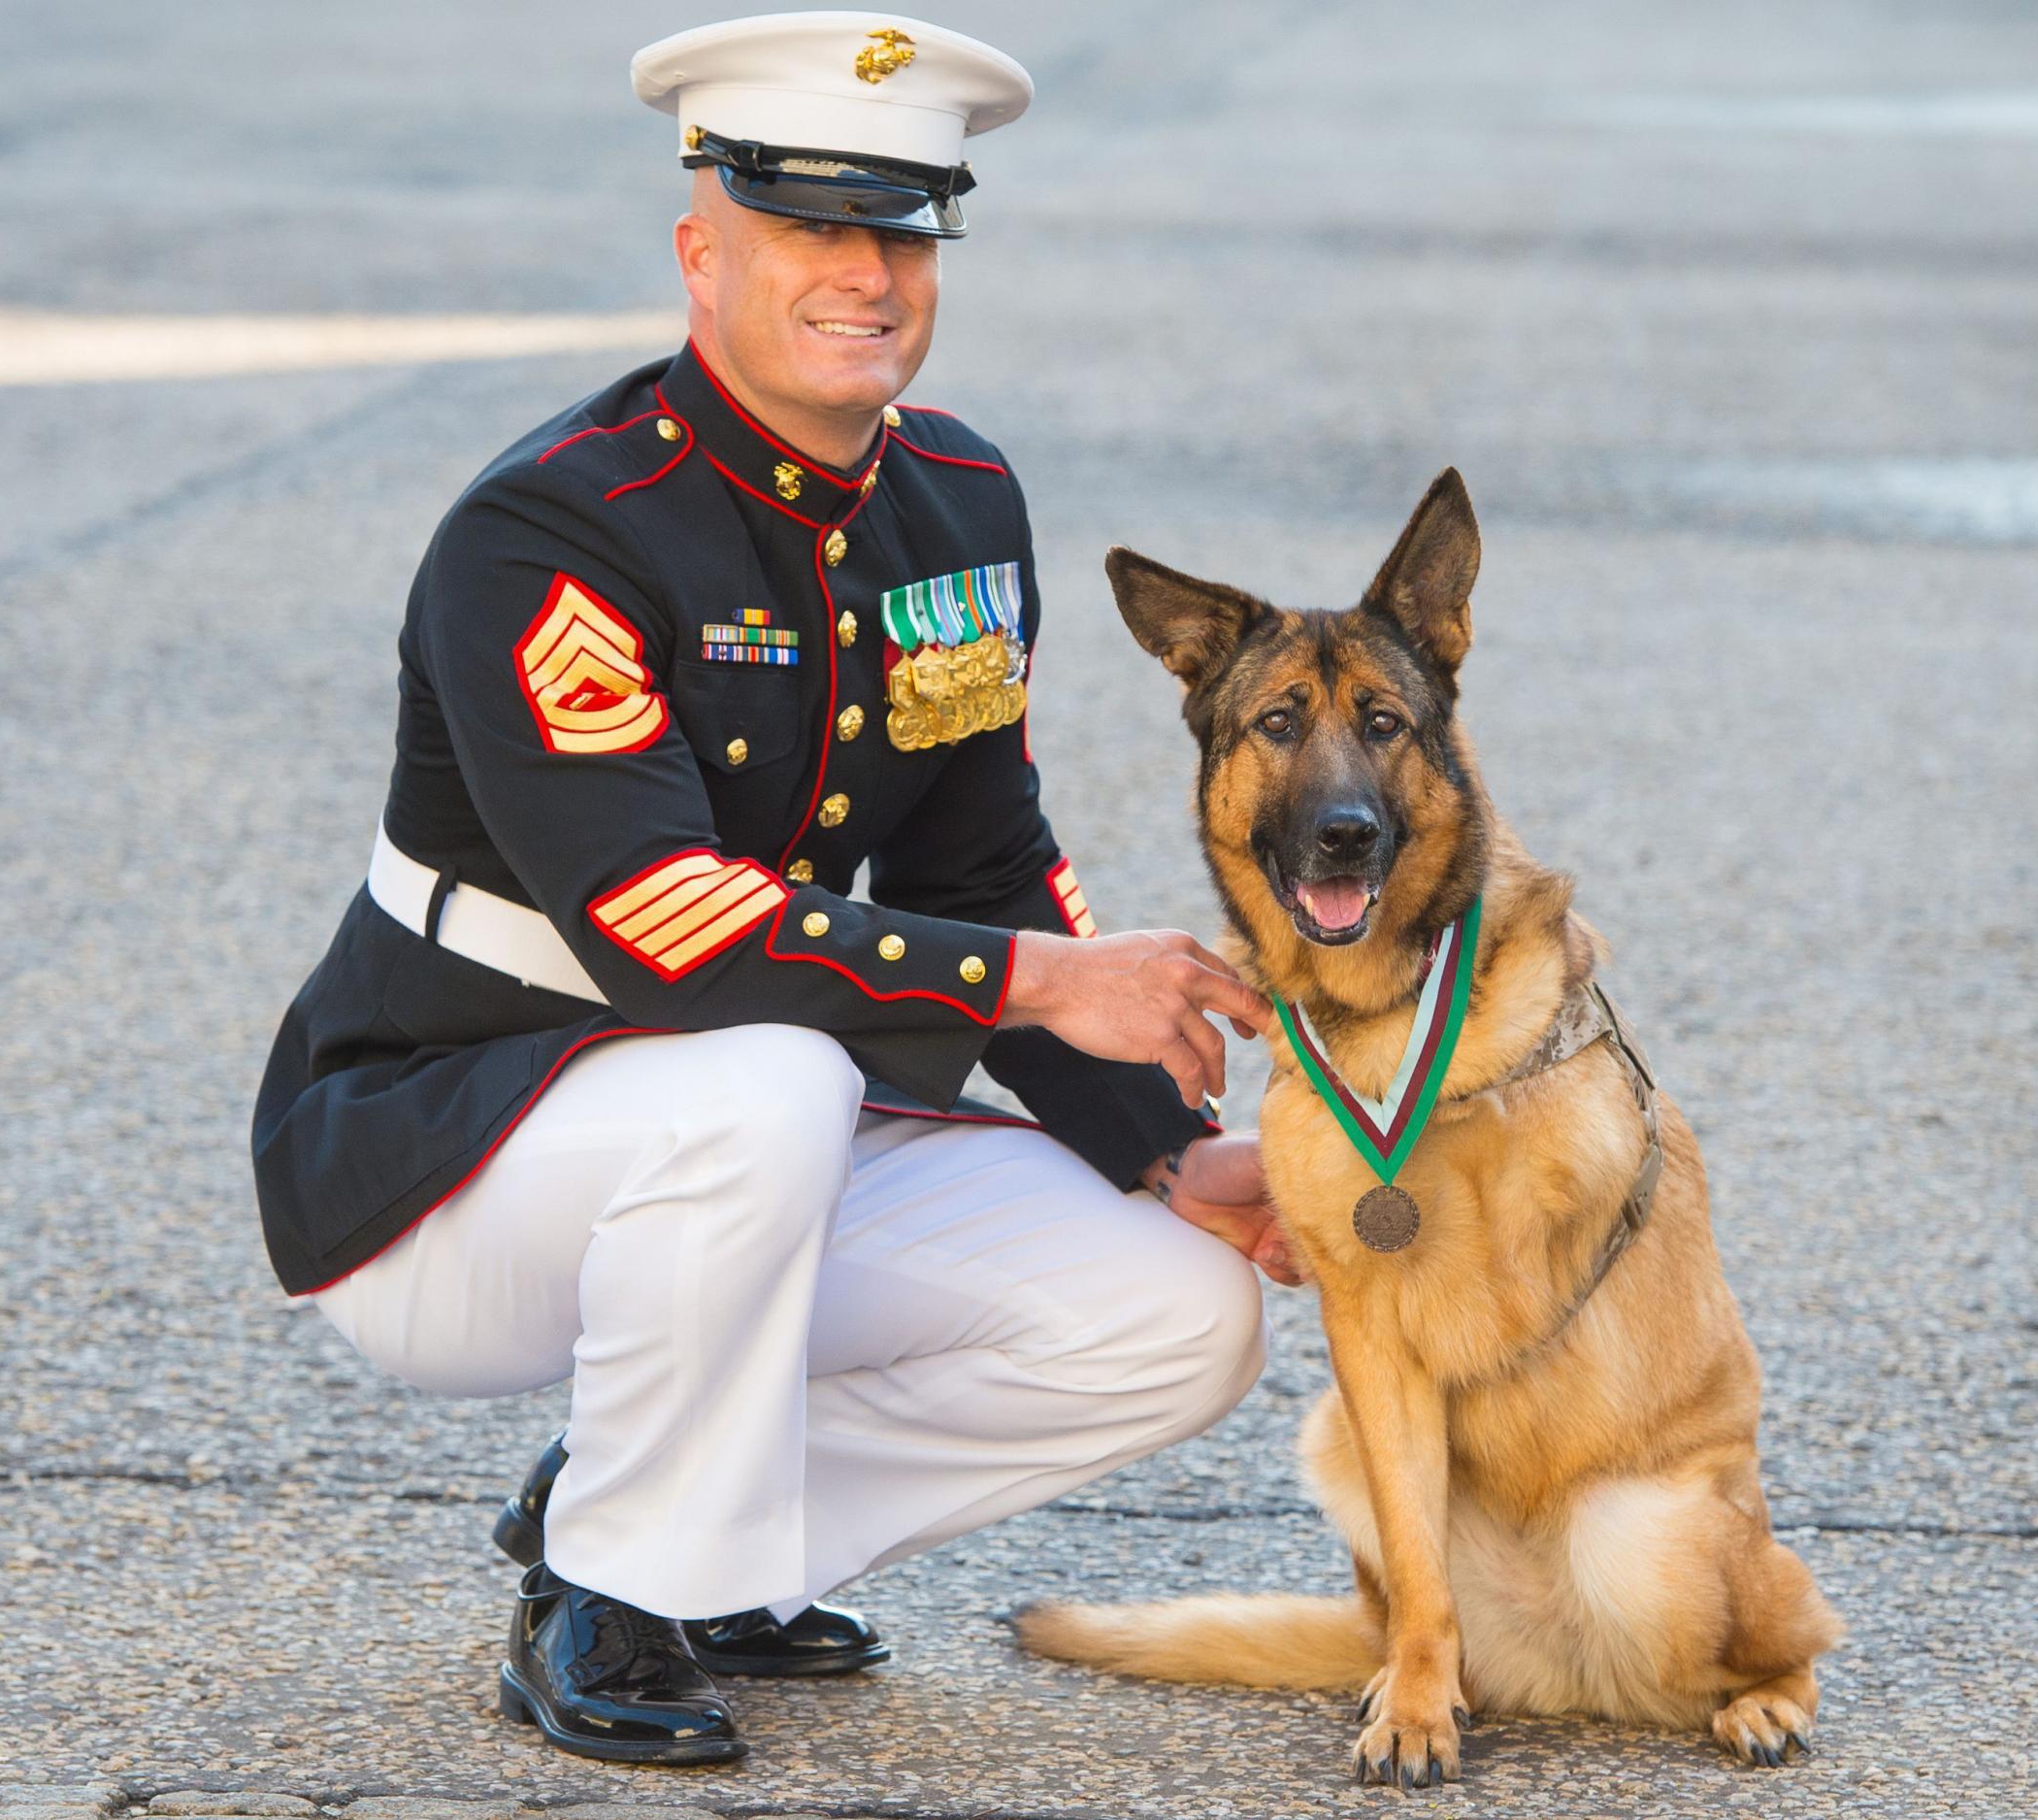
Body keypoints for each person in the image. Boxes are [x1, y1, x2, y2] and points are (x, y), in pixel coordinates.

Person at [248, 12, 1296, 1768]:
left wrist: (1166, 1150)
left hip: (736, 1139)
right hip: (443, 1161)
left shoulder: (956, 501)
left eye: (898, 232)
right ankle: (610, 1589)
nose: (863, 275)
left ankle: (699, 1539)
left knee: (1177, 1319)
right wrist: (1046, 988)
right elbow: (666, 930)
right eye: (809, 228)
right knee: (768, 1082)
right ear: (699, 251)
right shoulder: (557, 531)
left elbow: (982, 863)